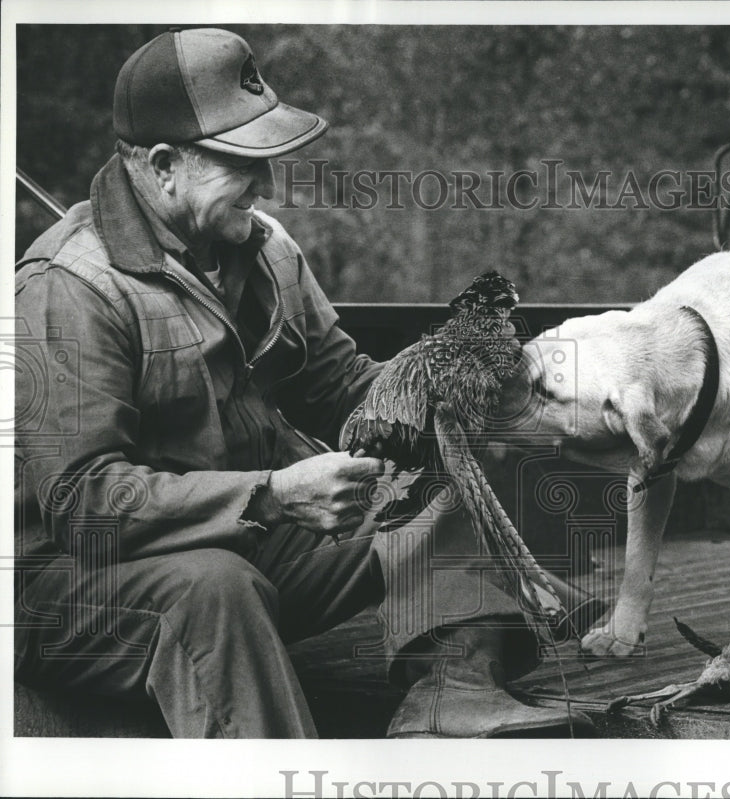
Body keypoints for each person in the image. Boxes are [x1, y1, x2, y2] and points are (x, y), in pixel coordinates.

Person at [14, 27, 593, 738]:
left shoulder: (263, 250)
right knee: (215, 591)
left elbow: (343, 383)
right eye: (242, 162)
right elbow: (85, 505)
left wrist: (444, 386)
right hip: (68, 589)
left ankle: (451, 693)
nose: (266, 184)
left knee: (432, 491)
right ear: (164, 166)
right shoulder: (70, 287)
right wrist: (275, 494)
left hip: (238, 543)